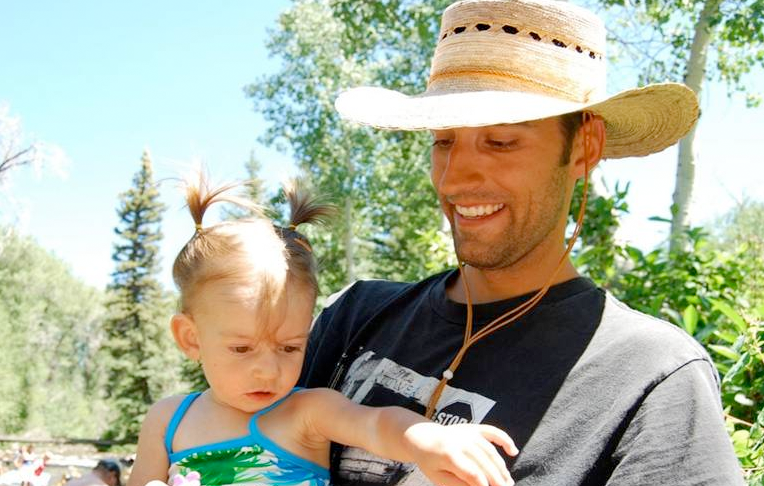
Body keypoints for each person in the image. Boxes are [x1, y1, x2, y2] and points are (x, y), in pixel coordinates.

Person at [300, 0, 744, 485]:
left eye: (501, 142)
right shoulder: (356, 315)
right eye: (443, 141)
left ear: (584, 147)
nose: (454, 179)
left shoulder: (650, 375)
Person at [126, 176, 518, 486]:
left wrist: (426, 438)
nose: (268, 370)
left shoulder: (307, 411)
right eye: (242, 349)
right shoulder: (167, 421)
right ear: (190, 338)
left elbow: (376, 425)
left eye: (289, 348)